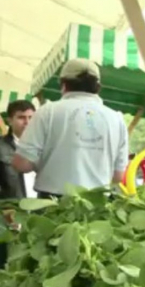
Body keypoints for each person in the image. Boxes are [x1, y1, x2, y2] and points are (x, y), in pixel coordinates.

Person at [12, 58, 129, 199]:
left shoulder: (47, 112)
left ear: (63, 84)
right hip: (98, 205)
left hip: (52, 204)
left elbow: (22, 164)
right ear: (97, 86)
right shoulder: (116, 119)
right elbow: (117, 176)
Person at [0, 100, 35, 199]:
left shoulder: (44, 146)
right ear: (10, 120)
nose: (27, 122)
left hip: (41, 209)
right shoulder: (1, 146)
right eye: (21, 117)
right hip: (11, 208)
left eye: (31, 117)